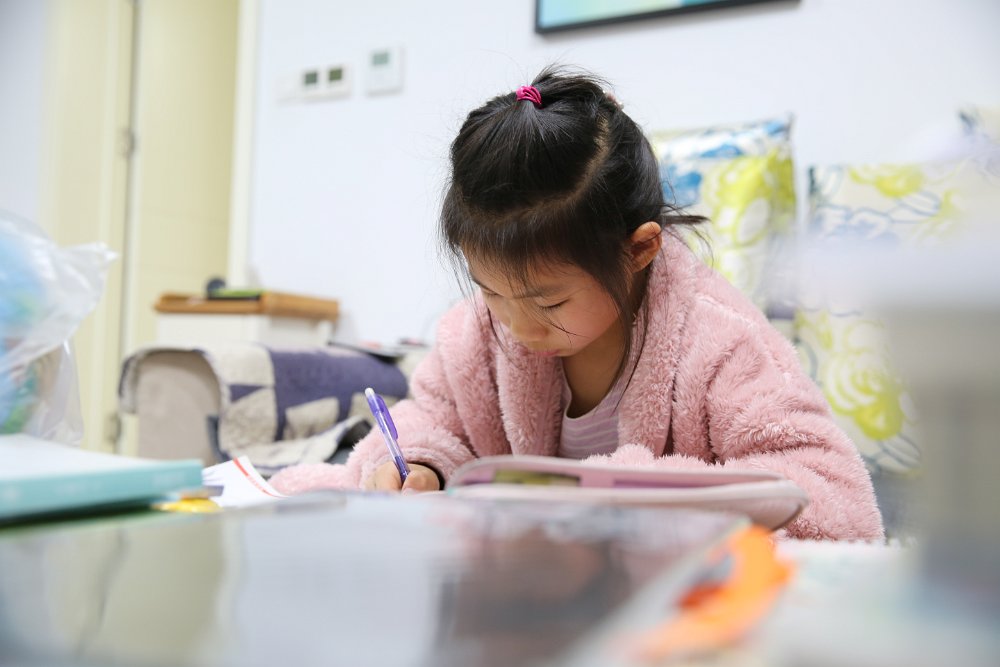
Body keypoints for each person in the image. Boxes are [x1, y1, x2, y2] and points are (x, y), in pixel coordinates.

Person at [270, 65, 883, 540]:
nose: (517, 326)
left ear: (638, 249)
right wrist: (421, 468)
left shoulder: (719, 341)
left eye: (549, 302)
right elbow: (430, 421)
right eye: (492, 291)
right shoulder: (476, 335)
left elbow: (836, 501)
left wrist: (641, 502)